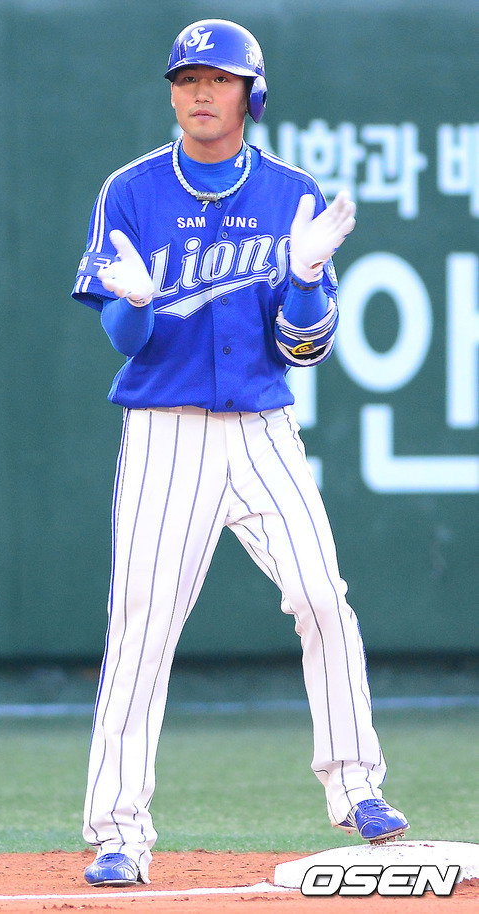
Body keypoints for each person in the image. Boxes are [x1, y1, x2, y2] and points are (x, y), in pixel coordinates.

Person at [72, 18, 409, 888]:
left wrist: (305, 277)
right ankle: (118, 833)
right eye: (187, 77)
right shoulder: (131, 191)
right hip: (166, 433)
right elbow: (125, 339)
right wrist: (134, 305)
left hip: (264, 431)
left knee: (323, 598)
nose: (199, 91)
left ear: (251, 96)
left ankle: (357, 786)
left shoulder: (293, 193)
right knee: (142, 627)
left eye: (218, 79)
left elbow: (304, 348)